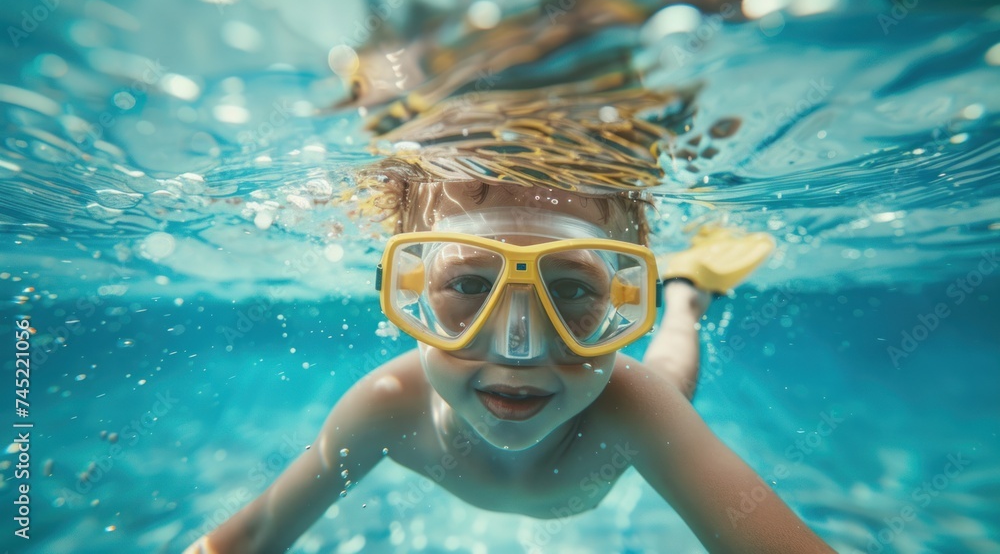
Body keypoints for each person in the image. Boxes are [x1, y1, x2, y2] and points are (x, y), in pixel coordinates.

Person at [184, 174, 832, 553]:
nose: (517, 348)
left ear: (624, 297)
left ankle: (685, 296)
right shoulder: (385, 404)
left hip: (634, 405)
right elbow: (256, 533)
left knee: (669, 372)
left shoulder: (635, 409)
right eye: (469, 285)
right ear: (406, 296)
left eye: (573, 289)